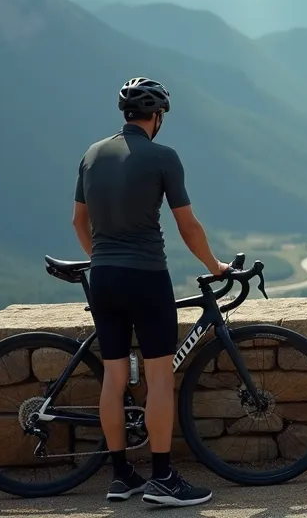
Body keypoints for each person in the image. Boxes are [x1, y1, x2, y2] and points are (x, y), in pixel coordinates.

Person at [71, 77, 227, 507]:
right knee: (159, 377)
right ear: (156, 118)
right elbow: (188, 226)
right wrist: (214, 267)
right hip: (145, 277)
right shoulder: (163, 157)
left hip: (103, 277)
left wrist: (102, 257)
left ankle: (121, 475)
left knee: (115, 377)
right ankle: (162, 479)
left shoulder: (91, 155)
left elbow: (78, 223)